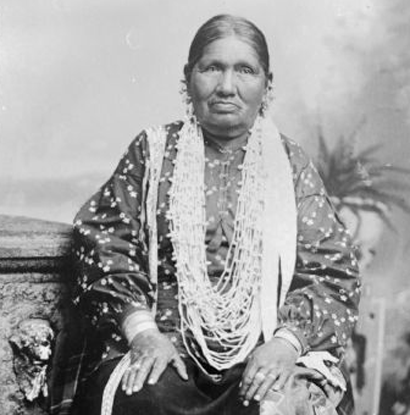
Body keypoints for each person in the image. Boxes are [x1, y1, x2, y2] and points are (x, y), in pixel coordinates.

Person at [64, 14, 360, 415]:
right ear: (189, 78)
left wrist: (283, 345)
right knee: (141, 396)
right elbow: (104, 245)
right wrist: (142, 332)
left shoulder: (290, 165)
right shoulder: (151, 154)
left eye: (244, 70)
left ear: (266, 84)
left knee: (283, 402)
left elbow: (330, 271)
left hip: (260, 353)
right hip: (164, 348)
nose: (226, 87)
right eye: (212, 68)